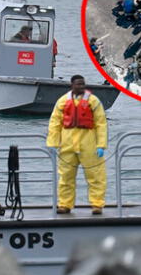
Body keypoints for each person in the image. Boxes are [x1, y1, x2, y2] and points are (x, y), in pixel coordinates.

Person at [47, 75, 108, 215]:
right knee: (65, 176)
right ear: (72, 85)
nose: (81, 87)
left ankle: (97, 204)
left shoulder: (93, 101)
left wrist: (101, 145)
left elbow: (101, 123)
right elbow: (55, 123)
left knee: (96, 175)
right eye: (78, 84)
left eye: (83, 84)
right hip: (67, 144)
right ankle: (65, 204)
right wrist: (52, 143)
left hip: (89, 143)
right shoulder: (62, 102)